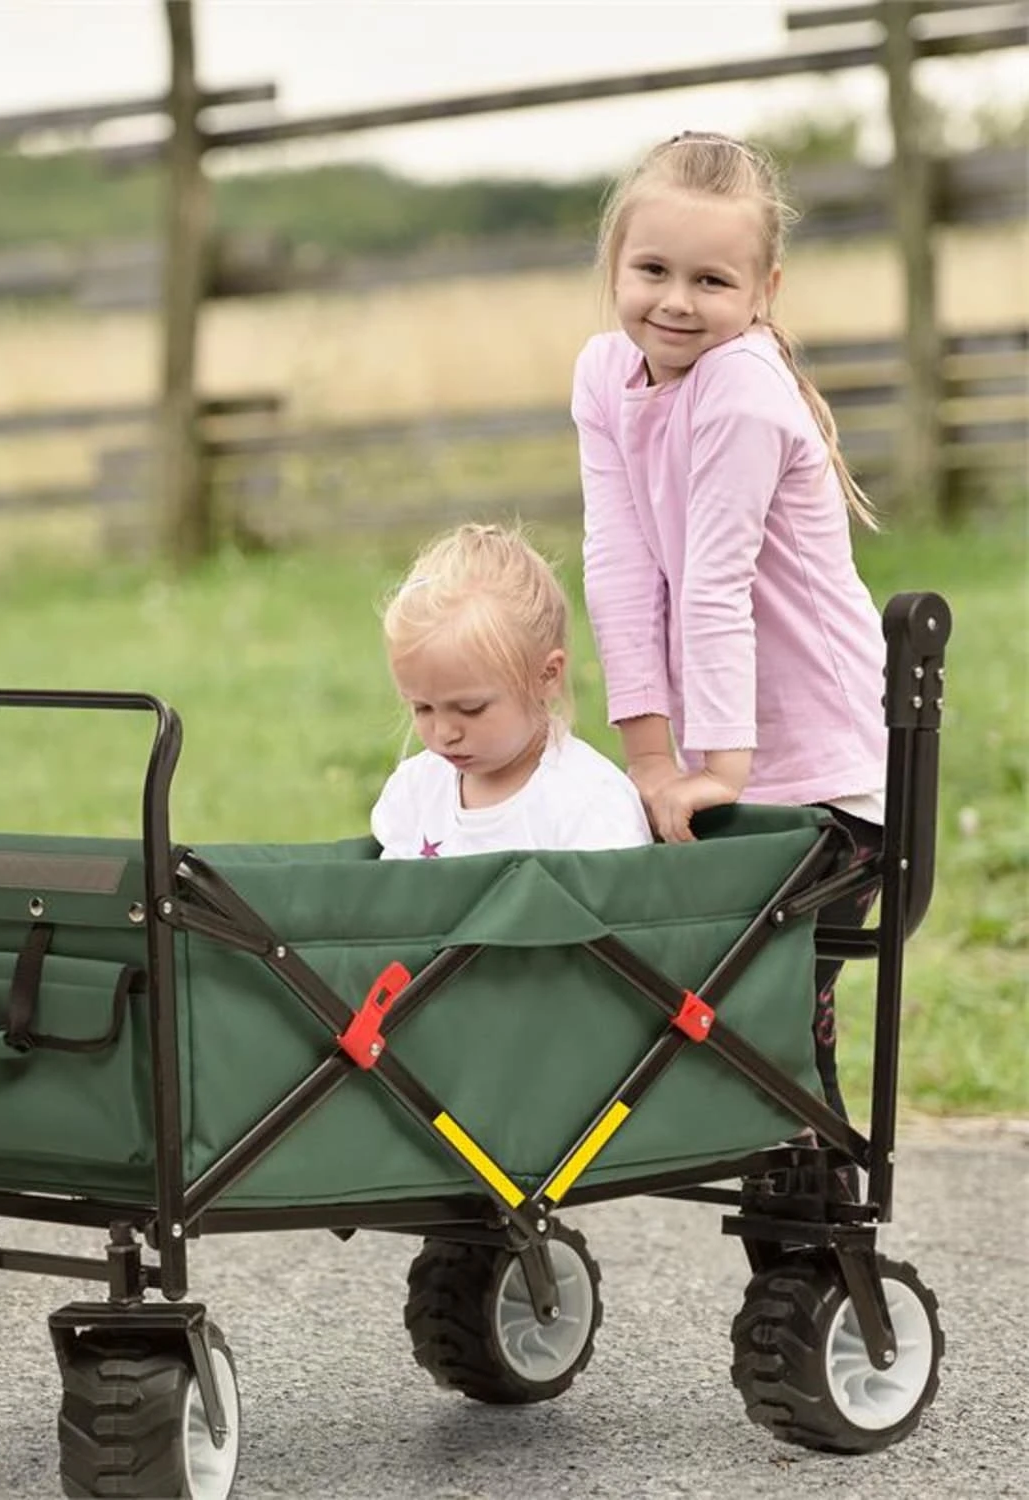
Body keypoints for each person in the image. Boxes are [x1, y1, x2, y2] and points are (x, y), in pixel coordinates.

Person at [572, 130, 887, 1132]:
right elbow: (620, 569)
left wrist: (721, 772)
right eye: (652, 270)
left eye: (711, 279)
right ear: (614, 263)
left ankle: (812, 1250)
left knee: (773, 1026)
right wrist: (652, 760)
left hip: (821, 778)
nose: (675, 300)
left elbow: (713, 587)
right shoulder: (605, 378)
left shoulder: (743, 390)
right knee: (683, 1020)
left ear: (764, 291)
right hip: (715, 762)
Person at [370, 522, 651, 860]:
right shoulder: (415, 791)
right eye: (422, 708)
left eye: (471, 708)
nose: (444, 733)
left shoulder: (588, 803)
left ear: (546, 675)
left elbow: (611, 905)